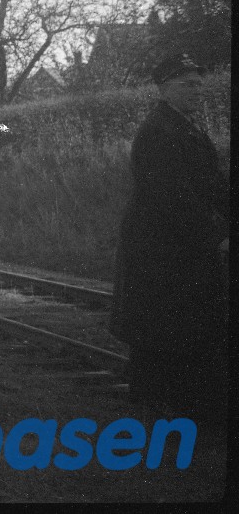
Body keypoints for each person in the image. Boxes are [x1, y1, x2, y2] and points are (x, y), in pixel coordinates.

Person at [109, 53, 229, 428]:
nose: (197, 90)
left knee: (183, 322)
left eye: (199, 83)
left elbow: (212, 184)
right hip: (160, 245)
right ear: (164, 89)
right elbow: (174, 197)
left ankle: (186, 406)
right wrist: (216, 236)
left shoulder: (185, 125)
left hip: (179, 241)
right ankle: (168, 411)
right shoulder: (160, 132)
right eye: (187, 84)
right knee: (166, 326)